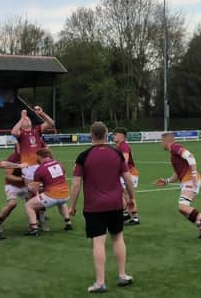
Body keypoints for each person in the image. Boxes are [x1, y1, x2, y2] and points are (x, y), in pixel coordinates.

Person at [69, 122, 134, 293]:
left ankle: (100, 282)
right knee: (118, 238)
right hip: (115, 204)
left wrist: (72, 206)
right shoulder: (117, 153)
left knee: (99, 242)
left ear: (91, 135)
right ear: (107, 135)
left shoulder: (83, 156)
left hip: (94, 207)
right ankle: (122, 275)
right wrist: (131, 198)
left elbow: (76, 184)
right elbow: (127, 178)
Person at [155, 133, 201, 239]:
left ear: (166, 141)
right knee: (182, 209)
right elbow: (178, 174)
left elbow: (190, 156)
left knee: (183, 207)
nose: (160, 143)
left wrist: (194, 175)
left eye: (161, 141)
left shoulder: (174, 147)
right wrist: (167, 181)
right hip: (186, 180)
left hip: (190, 180)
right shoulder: (173, 154)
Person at [11, 107, 53, 229]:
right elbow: (13, 132)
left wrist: (41, 113)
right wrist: (22, 117)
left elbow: (51, 123)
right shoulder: (21, 134)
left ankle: (41, 218)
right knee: (31, 194)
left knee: (42, 193)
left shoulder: (36, 131)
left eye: (28, 118)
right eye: (25, 119)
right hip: (28, 168)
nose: (27, 119)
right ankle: (35, 221)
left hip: (40, 166)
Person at [24, 148, 72, 236]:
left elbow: (34, 189)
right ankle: (68, 222)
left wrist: (28, 186)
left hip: (52, 197)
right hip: (66, 194)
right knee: (61, 202)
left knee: (29, 205)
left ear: (39, 156)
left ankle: (34, 228)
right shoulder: (60, 164)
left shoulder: (40, 169)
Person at [0, 147, 27, 232]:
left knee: (35, 202)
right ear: (16, 149)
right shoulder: (12, 158)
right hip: (12, 185)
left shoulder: (31, 156)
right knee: (12, 204)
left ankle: (38, 222)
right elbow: (8, 176)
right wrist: (24, 179)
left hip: (26, 185)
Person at [113, 127, 140, 225]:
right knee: (121, 194)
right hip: (126, 173)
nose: (113, 136)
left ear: (121, 136)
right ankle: (127, 213)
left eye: (115, 134)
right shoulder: (119, 146)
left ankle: (134, 217)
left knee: (126, 195)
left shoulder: (123, 146)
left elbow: (125, 161)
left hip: (129, 173)